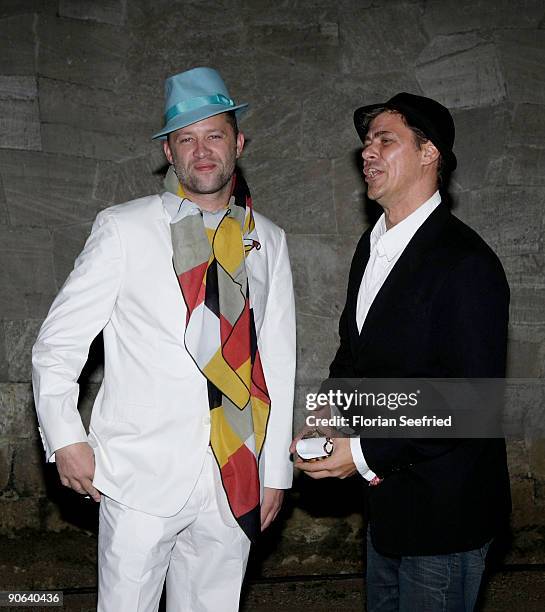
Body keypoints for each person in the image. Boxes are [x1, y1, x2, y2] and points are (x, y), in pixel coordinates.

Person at [32, 66, 296, 612]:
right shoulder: (124, 229)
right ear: (170, 154)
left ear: (238, 143)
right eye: (186, 140)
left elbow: (277, 360)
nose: (201, 152)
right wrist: (65, 437)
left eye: (214, 135)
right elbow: (59, 343)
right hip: (138, 476)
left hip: (233, 473)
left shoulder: (267, 239)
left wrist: (274, 472)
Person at [292, 92, 511, 611]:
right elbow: (354, 355)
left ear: (429, 152)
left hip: (445, 517)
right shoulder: (372, 246)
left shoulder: (466, 263)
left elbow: (468, 402)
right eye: (366, 143)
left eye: (385, 140)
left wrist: (363, 451)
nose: (368, 152)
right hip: (388, 509)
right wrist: (328, 413)